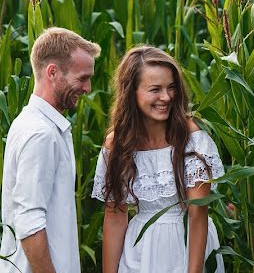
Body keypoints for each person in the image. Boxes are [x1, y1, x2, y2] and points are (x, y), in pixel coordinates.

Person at [92, 46, 225, 273]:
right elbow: (115, 215)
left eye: (171, 87)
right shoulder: (117, 144)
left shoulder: (192, 139)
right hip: (139, 251)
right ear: (131, 92)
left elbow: (197, 214)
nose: (166, 97)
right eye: (155, 89)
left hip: (187, 247)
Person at [1, 27, 101, 273]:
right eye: (82, 78)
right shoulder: (41, 134)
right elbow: (29, 222)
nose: (87, 88)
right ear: (52, 72)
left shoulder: (35, 124)